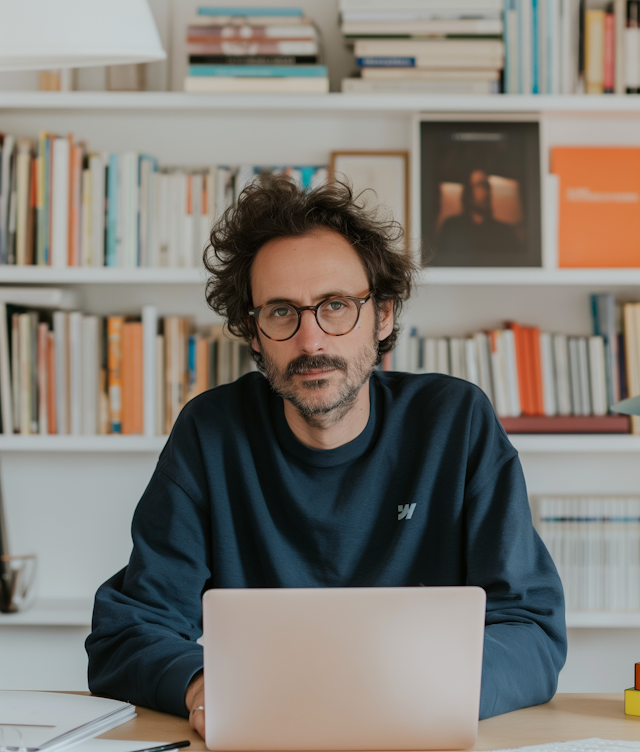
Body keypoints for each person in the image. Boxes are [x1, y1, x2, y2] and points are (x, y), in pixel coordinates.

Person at [85, 175, 566, 738]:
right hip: (265, 739)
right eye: (282, 312)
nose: (311, 342)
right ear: (253, 331)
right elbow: (128, 630)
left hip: (423, 732)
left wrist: (425, 692)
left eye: (335, 306)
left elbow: (531, 625)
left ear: (382, 315)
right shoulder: (210, 433)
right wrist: (199, 684)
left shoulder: (454, 423)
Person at [437, 168, 523, 255]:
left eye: (487, 186)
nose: (486, 191)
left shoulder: (504, 232)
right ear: (468, 193)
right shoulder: (451, 227)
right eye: (480, 185)